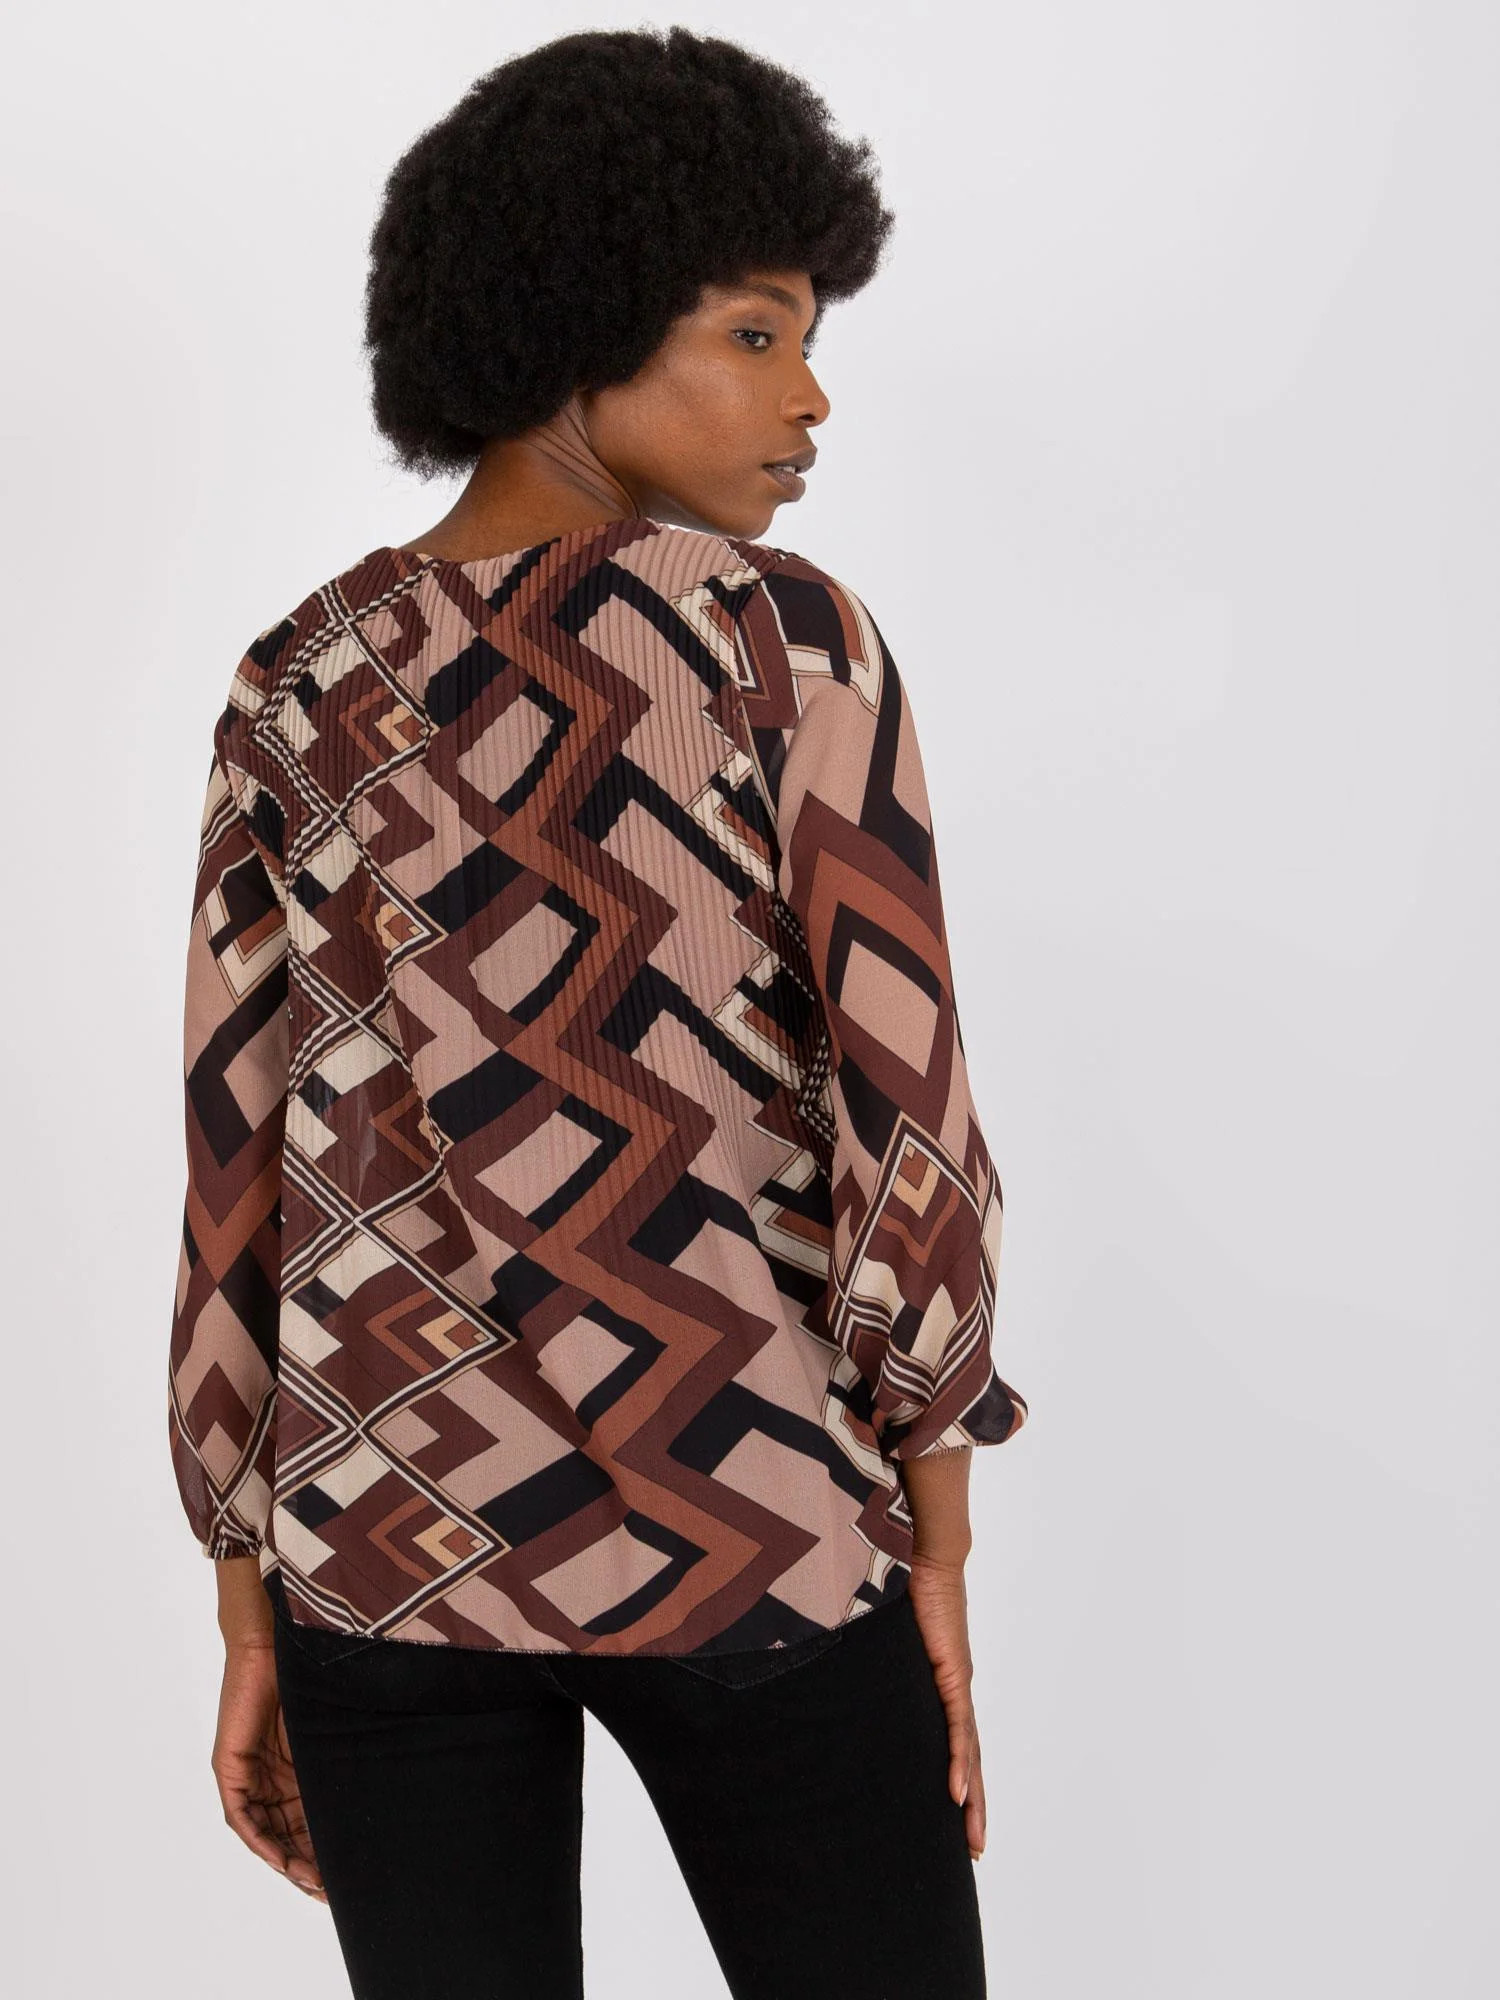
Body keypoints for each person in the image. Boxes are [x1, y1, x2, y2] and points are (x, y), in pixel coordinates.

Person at [166, 26, 1028, 1999]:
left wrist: (246, 1589)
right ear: (575, 325)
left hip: (377, 1544)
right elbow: (907, 1119)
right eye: (755, 333)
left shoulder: (295, 679)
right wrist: (939, 1541)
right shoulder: (778, 638)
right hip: (750, 1518)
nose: (809, 399)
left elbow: (235, 1160)